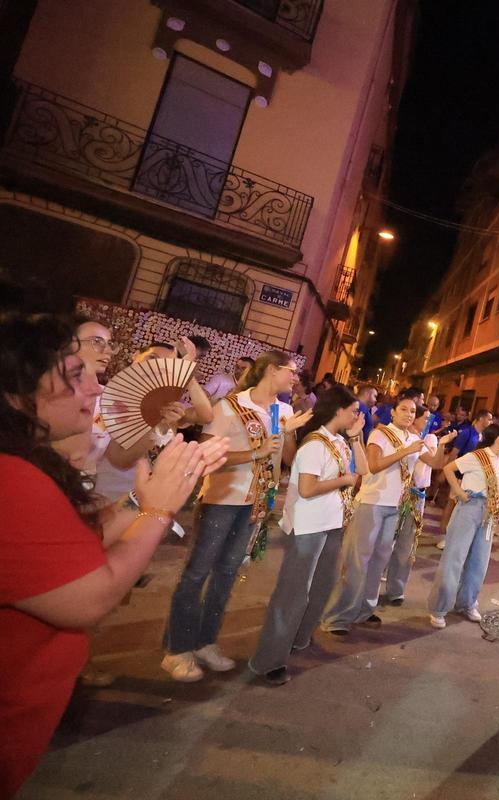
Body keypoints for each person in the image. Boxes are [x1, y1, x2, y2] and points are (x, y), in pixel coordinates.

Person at [0, 313, 227, 797]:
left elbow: (80, 534)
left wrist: (151, 501)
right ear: (18, 396)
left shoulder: (29, 466)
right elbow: (91, 595)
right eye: (74, 377)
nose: (96, 390)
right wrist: (160, 510)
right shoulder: (12, 480)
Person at [161, 351, 311, 682]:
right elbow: (207, 453)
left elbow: (286, 459)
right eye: (291, 371)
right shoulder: (228, 406)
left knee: (227, 573)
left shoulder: (283, 410)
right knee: (196, 573)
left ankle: (205, 641)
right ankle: (176, 648)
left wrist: (286, 433)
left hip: (255, 503)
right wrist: (254, 452)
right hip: (222, 499)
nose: (295, 378)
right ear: (271, 370)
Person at [249, 387, 366, 685]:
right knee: (292, 593)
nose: (357, 416)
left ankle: (298, 639)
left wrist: (356, 437)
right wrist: (342, 480)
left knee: (321, 587)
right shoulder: (315, 445)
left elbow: (364, 469)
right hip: (308, 526)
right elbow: (308, 489)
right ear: (338, 410)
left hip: (332, 523)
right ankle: (268, 660)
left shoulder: (339, 441)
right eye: (353, 410)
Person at [322, 397, 426, 634]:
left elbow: (433, 463)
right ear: (393, 413)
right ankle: (336, 617)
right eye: (404, 410)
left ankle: (364, 610)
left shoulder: (412, 438)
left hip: (394, 507)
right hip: (371, 503)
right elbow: (373, 465)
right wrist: (405, 452)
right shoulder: (381, 434)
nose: (409, 414)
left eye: (413, 411)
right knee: (357, 561)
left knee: (379, 562)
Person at [92, 339, 215, 503]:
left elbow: (205, 415)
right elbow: (121, 459)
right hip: (107, 495)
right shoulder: (102, 397)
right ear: (136, 355)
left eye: (165, 366)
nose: (156, 368)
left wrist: (187, 375)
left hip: (149, 500)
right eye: (152, 359)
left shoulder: (166, 408)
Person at [428, 422, 499, 629]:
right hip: (469, 508)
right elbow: (448, 469)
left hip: (489, 511)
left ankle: (467, 603)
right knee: (454, 558)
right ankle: (439, 609)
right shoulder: (477, 456)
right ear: (498, 438)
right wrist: (458, 491)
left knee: (479, 560)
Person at [384, 405, 455, 605]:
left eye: (418, 414)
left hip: (416, 497)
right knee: (386, 541)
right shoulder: (393, 436)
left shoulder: (421, 440)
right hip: (396, 495)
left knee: (407, 545)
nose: (427, 421)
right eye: (424, 417)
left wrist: (441, 445)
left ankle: (396, 589)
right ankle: (373, 583)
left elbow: (435, 463)